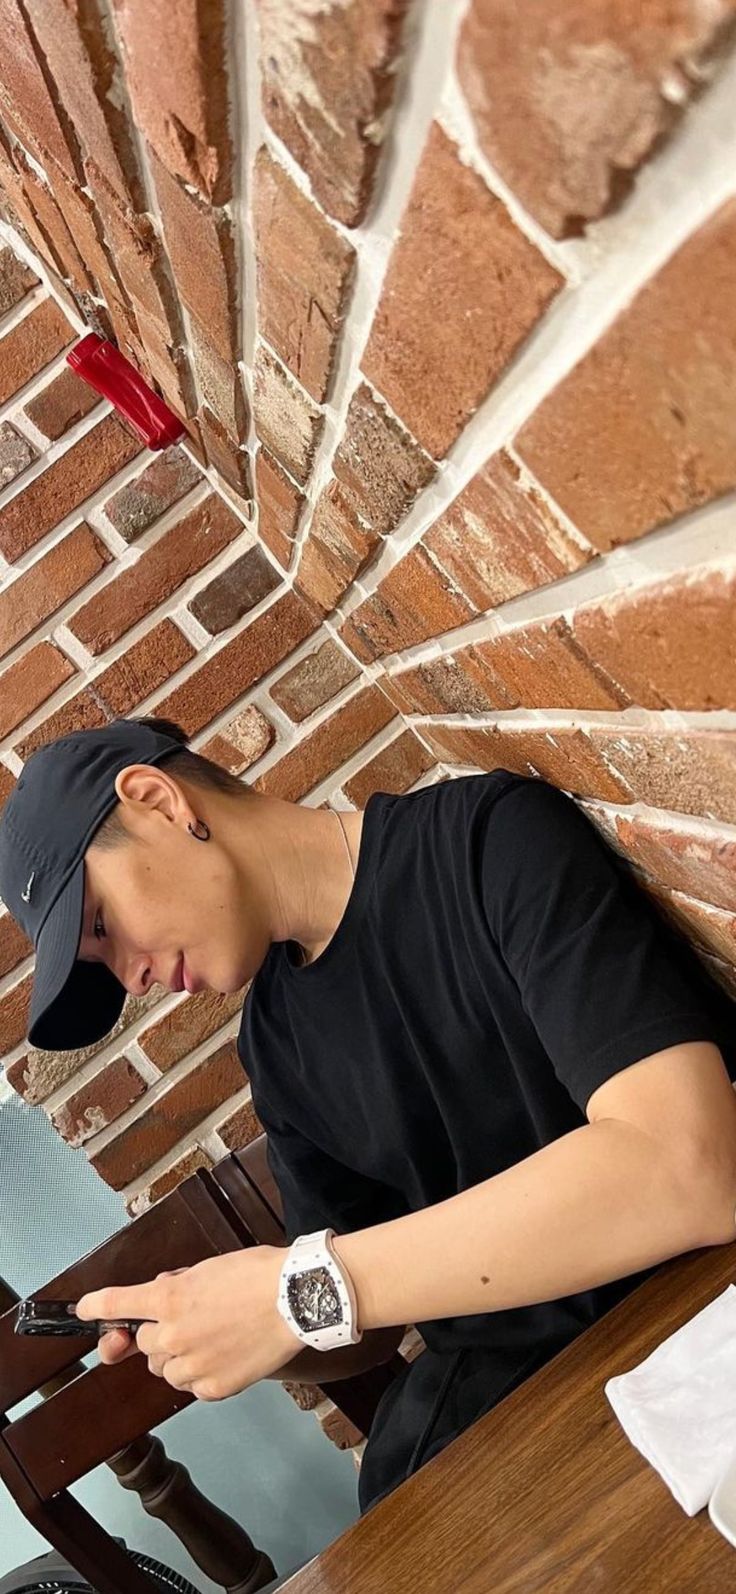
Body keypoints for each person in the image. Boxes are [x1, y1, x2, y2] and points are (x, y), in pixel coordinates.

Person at [1, 714, 735, 1514]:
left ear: (158, 801)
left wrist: (293, 1293)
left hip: (691, 1335)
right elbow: (367, 1329)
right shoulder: (276, 1044)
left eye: (103, 927)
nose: (132, 981)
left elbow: (686, 1167)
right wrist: (232, 1319)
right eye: (105, 973)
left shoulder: (485, 841)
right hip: (517, 1424)